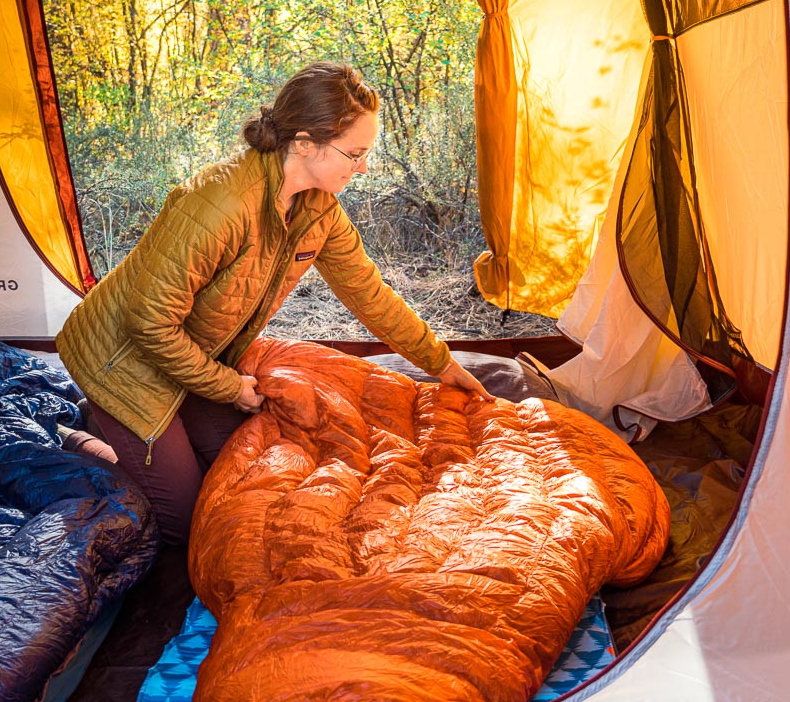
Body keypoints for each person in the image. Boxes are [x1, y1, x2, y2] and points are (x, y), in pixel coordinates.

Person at [57, 61, 494, 544]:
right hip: (123, 361)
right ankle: (77, 439)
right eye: (355, 153)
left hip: (191, 356)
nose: (364, 167)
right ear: (305, 143)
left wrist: (441, 362)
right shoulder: (220, 202)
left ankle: (119, 426)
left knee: (238, 466)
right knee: (187, 524)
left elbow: (368, 293)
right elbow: (149, 324)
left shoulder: (318, 207)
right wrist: (229, 387)